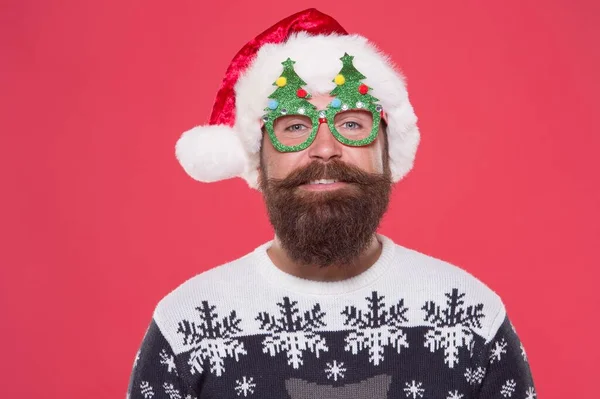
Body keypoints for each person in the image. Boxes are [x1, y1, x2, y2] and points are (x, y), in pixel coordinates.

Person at [127, 8, 536, 399]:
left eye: (353, 123)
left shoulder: (469, 317)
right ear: (260, 157)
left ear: (387, 150)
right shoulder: (186, 327)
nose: (326, 149)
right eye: (295, 126)